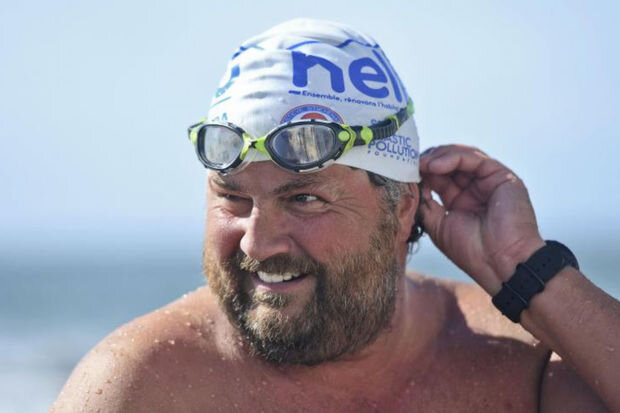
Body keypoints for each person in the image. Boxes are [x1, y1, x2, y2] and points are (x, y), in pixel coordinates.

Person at [52, 19, 619, 412]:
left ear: (403, 207)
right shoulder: (142, 389)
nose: (257, 243)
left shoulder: (525, 366)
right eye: (234, 198)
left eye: (304, 199)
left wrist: (526, 269)